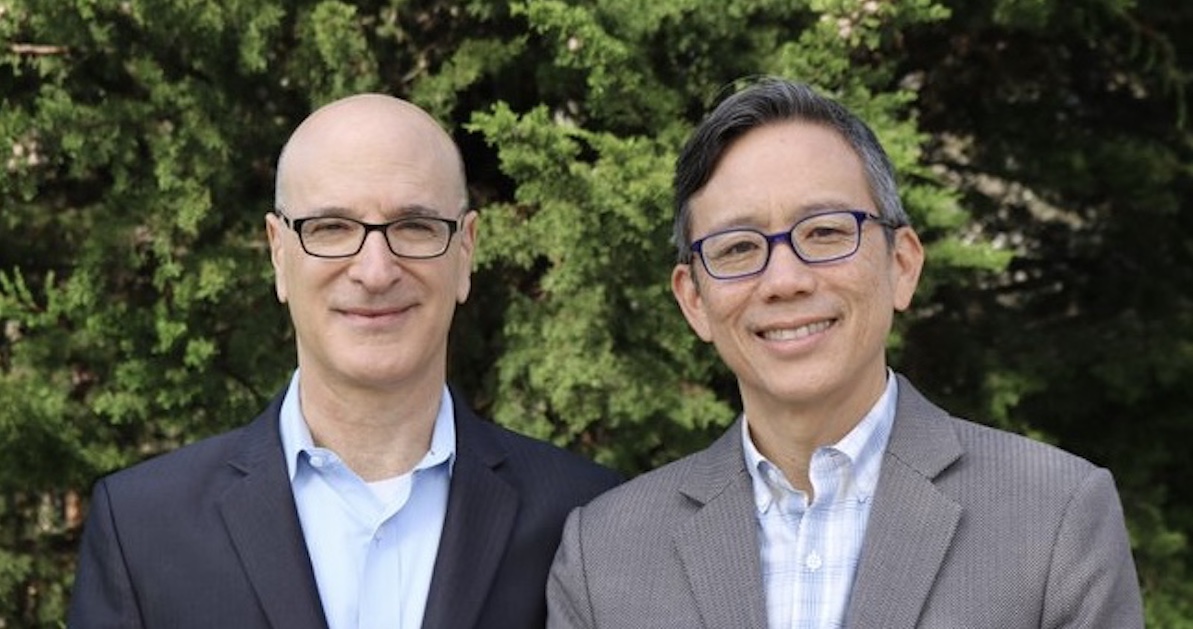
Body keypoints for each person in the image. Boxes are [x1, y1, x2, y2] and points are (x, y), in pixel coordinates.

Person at [546, 78, 1143, 629]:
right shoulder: (604, 553)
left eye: (826, 232)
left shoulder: (1054, 514)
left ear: (902, 265)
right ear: (694, 301)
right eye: (736, 248)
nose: (784, 279)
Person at [68, 94, 621, 629]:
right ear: (278, 252)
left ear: (466, 251)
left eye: (414, 226)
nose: (375, 271)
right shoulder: (143, 527)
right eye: (331, 228)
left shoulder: (586, 517)